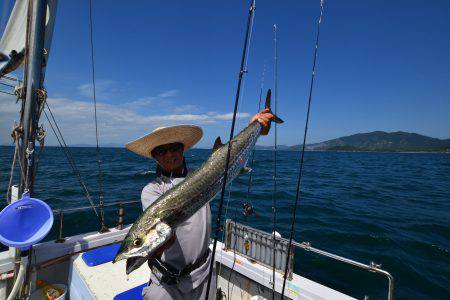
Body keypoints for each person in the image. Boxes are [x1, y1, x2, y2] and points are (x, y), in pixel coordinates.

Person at [125, 109, 275, 300]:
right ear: (154, 156)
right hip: (167, 281)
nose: (169, 154)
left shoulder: (205, 172)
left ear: (182, 149)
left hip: (204, 272)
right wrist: (149, 246)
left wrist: (255, 127)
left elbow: (231, 159)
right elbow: (162, 236)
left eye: (174, 147)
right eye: (161, 151)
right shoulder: (152, 190)